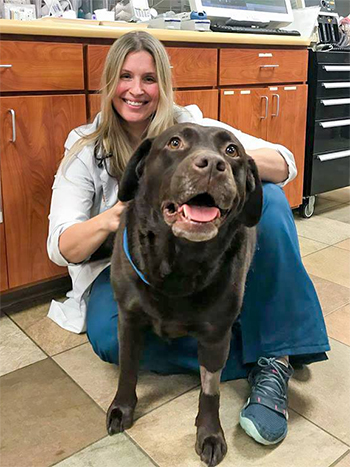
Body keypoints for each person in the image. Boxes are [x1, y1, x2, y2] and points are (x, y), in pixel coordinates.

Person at [47, 31, 330, 447]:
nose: (137, 90)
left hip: (203, 265)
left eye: (149, 78)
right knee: (110, 338)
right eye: (126, 77)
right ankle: (259, 345)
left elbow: (285, 162)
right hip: (125, 269)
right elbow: (61, 247)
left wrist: (231, 169)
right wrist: (117, 216)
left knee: (266, 196)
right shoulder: (86, 145)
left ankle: (274, 356)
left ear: (164, 83)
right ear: (110, 84)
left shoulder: (197, 128)